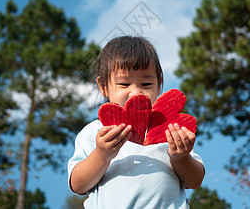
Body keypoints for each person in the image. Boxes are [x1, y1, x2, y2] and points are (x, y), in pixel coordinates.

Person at [68, 36, 205, 208]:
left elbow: (195, 180)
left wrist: (181, 156)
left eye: (146, 84)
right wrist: (101, 155)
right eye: (124, 84)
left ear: (159, 84)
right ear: (103, 86)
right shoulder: (96, 132)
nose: (136, 93)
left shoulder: (169, 128)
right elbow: (78, 184)